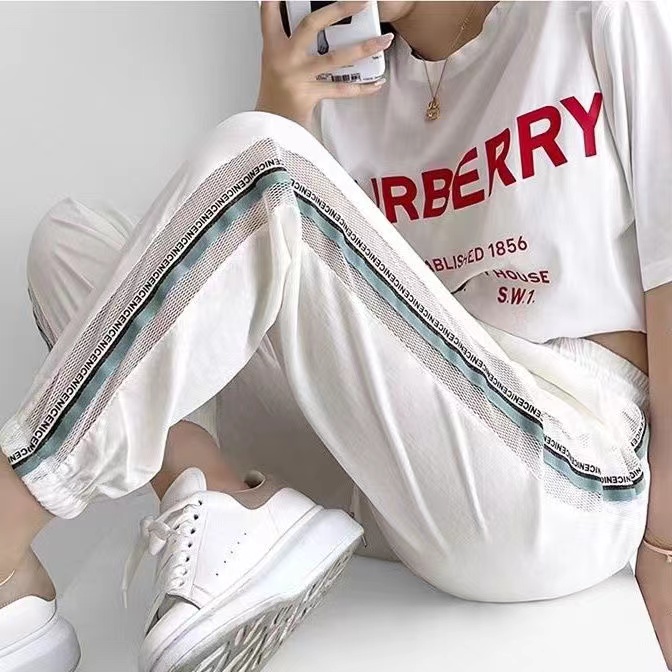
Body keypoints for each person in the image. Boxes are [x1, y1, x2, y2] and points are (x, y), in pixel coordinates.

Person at [1, 1, 671, 671]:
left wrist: (667, 549)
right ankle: (221, 499)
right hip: (370, 460)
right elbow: (274, 287)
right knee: (71, 245)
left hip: (548, 474)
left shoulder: (601, 13)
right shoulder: (343, 80)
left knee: (263, 156)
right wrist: (283, 108)